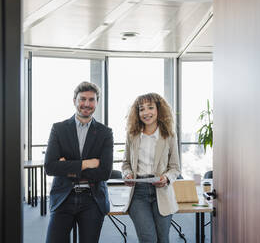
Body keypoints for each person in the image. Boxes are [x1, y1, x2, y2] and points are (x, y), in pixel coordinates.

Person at [44, 81, 113, 243]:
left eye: (91, 100)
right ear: (74, 100)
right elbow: (50, 167)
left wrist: (66, 166)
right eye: (82, 99)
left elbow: (104, 172)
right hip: (63, 196)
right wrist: (87, 164)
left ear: (97, 102)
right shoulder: (59, 129)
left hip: (92, 198)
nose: (86, 104)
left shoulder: (105, 133)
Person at [122, 93, 180, 243]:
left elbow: (175, 167)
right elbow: (126, 164)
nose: (146, 112)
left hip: (162, 191)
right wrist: (127, 174)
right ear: (137, 112)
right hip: (139, 192)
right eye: (141, 109)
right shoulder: (132, 135)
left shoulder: (169, 135)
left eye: (150, 108)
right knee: (148, 239)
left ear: (158, 110)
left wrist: (166, 178)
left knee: (162, 239)